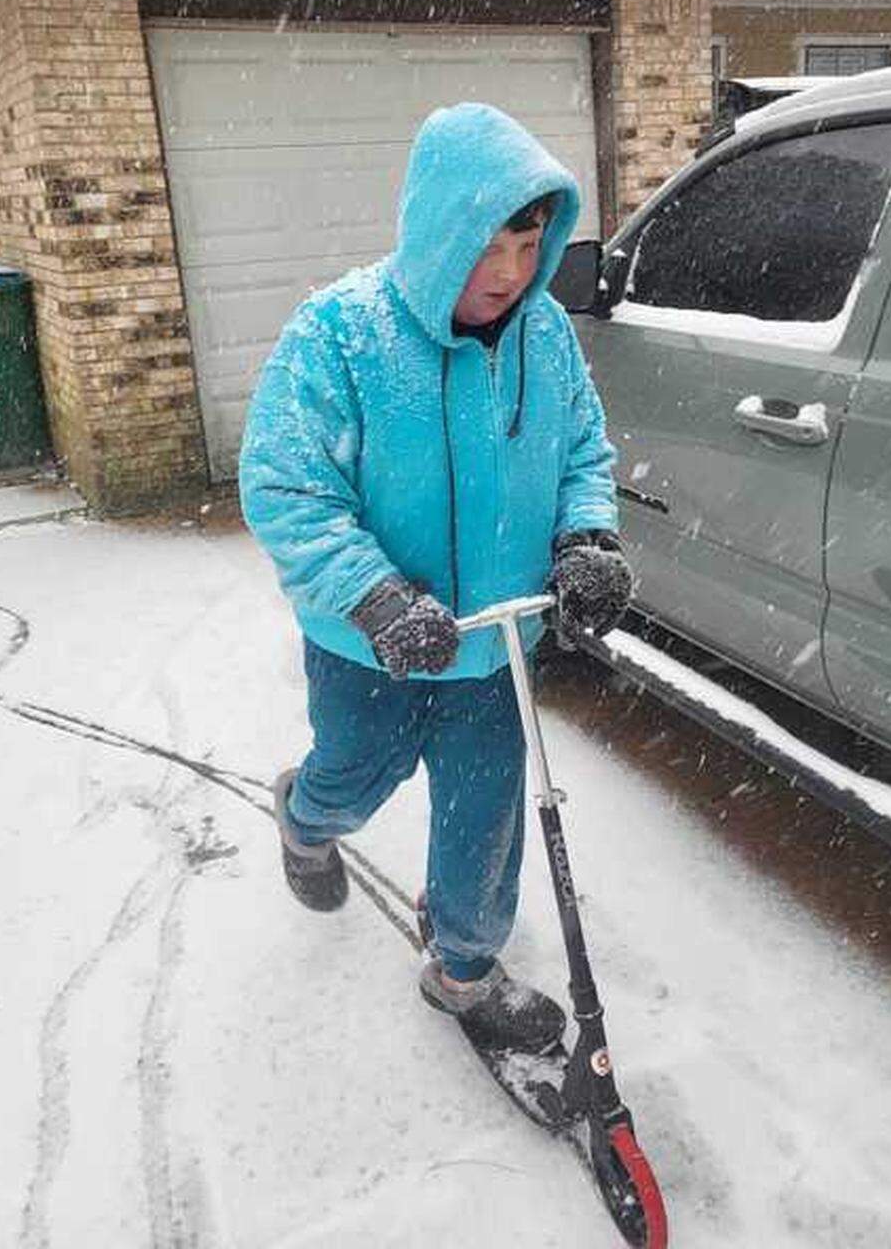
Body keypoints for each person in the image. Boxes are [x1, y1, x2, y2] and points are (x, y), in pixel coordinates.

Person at [239, 102, 631, 1056]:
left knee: (487, 818)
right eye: (486, 243)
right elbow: (287, 486)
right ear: (436, 230)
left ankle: (461, 966)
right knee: (351, 784)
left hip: (495, 648)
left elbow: (582, 449)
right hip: (369, 649)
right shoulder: (340, 335)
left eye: (529, 240)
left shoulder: (546, 338)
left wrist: (589, 534)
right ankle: (304, 819)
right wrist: (375, 597)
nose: (508, 273)